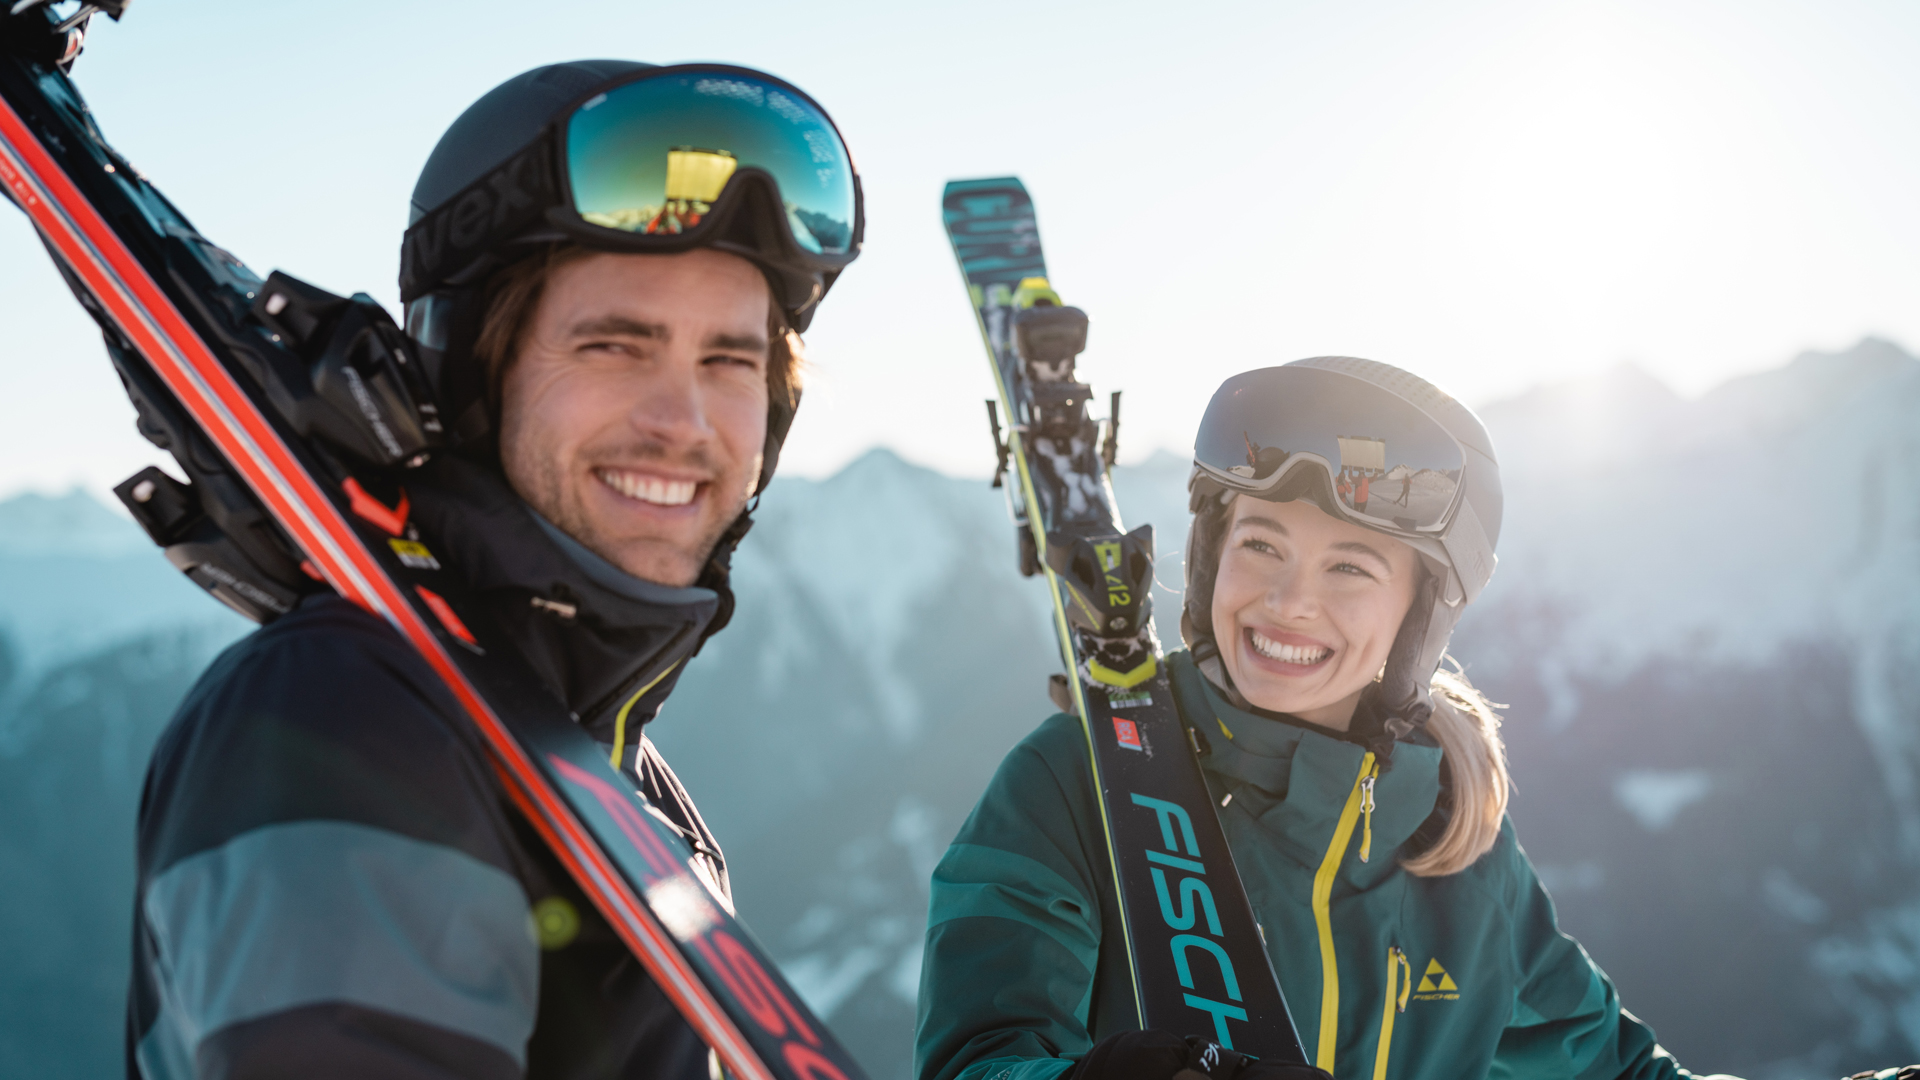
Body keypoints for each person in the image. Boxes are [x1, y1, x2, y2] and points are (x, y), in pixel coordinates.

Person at [127, 61, 860, 1079]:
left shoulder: (605, 751)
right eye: (615, 345)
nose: (683, 424)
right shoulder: (341, 717)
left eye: (729, 362)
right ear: (477, 376)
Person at [914, 358, 1745, 1080]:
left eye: (1349, 566)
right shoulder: (1075, 782)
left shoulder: (1455, 849)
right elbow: (977, 1056)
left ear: (1418, 615)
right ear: (1212, 556)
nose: (1288, 603)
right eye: (1262, 544)